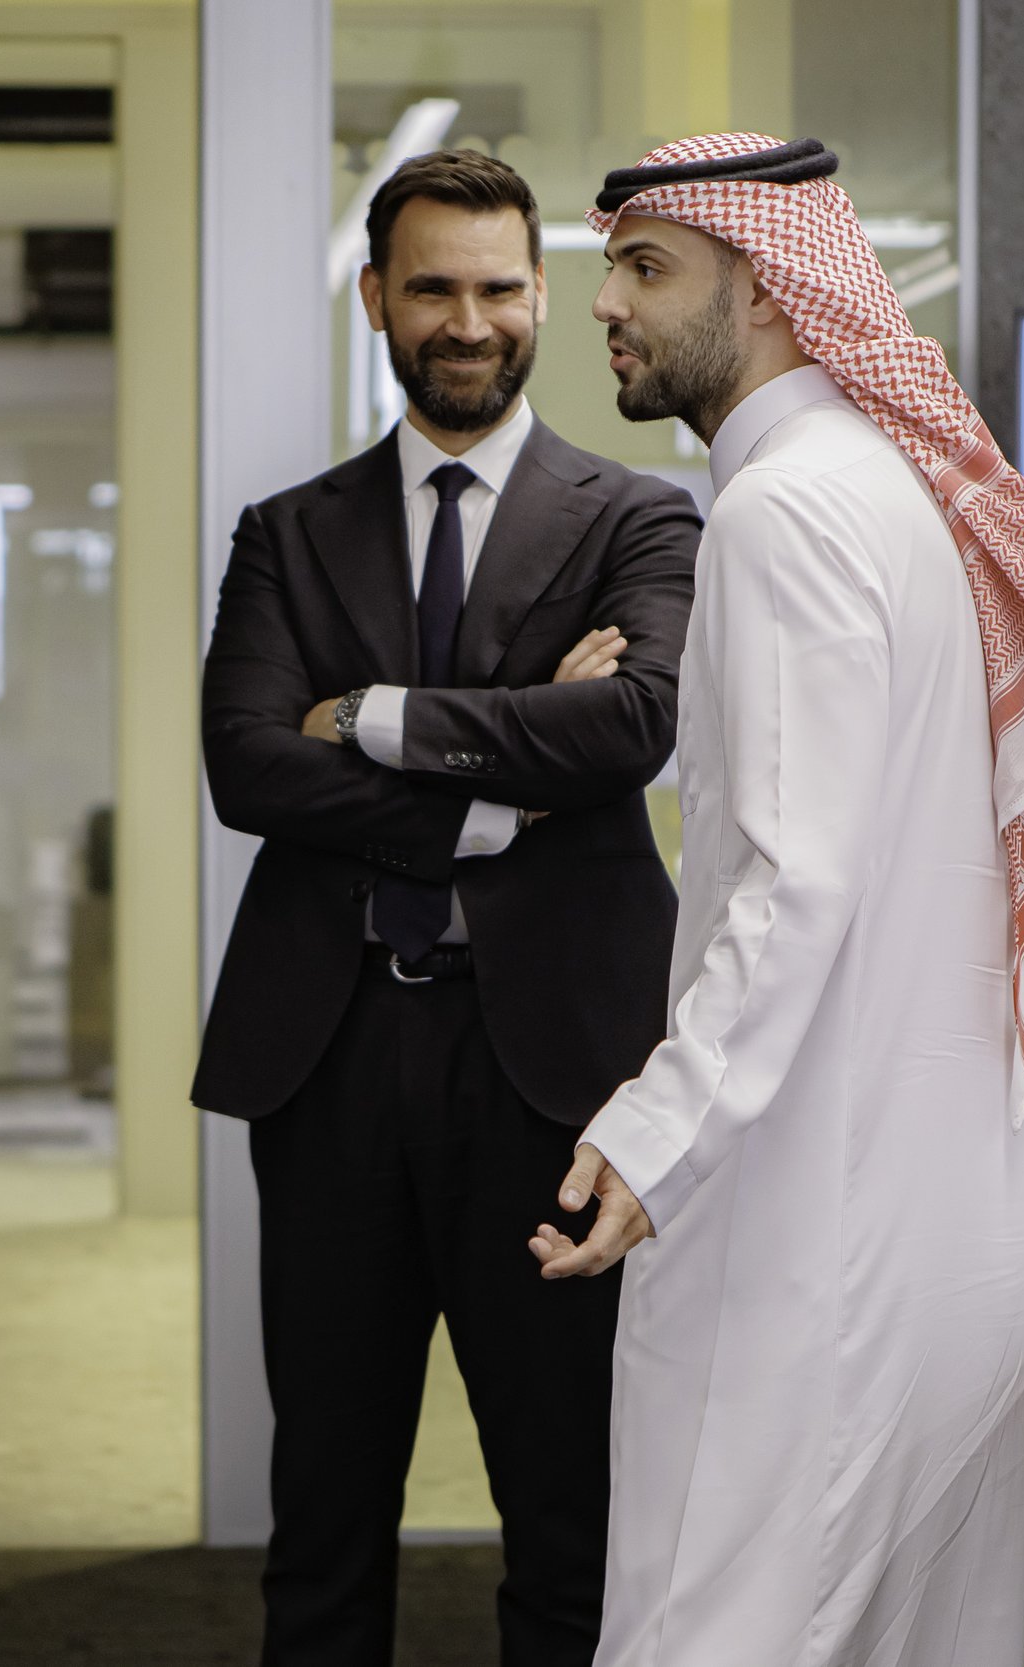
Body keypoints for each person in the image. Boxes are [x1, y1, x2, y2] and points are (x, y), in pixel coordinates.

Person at [531, 134, 1024, 1665]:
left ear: (765, 287)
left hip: (806, 1247)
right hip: (943, 1245)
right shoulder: (903, 498)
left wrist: (657, 1128)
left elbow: (792, 879)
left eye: (646, 269)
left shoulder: (785, 512)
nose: (607, 306)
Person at [194, 149, 702, 1667]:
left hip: (557, 1080)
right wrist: (503, 781)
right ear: (375, 299)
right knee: (323, 1508)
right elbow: (248, 767)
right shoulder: (288, 532)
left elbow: (632, 729)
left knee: (568, 1506)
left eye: (496, 289)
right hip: (331, 1056)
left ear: (541, 294)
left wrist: (370, 721)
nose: (467, 323)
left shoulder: (641, 517)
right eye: (432, 289)